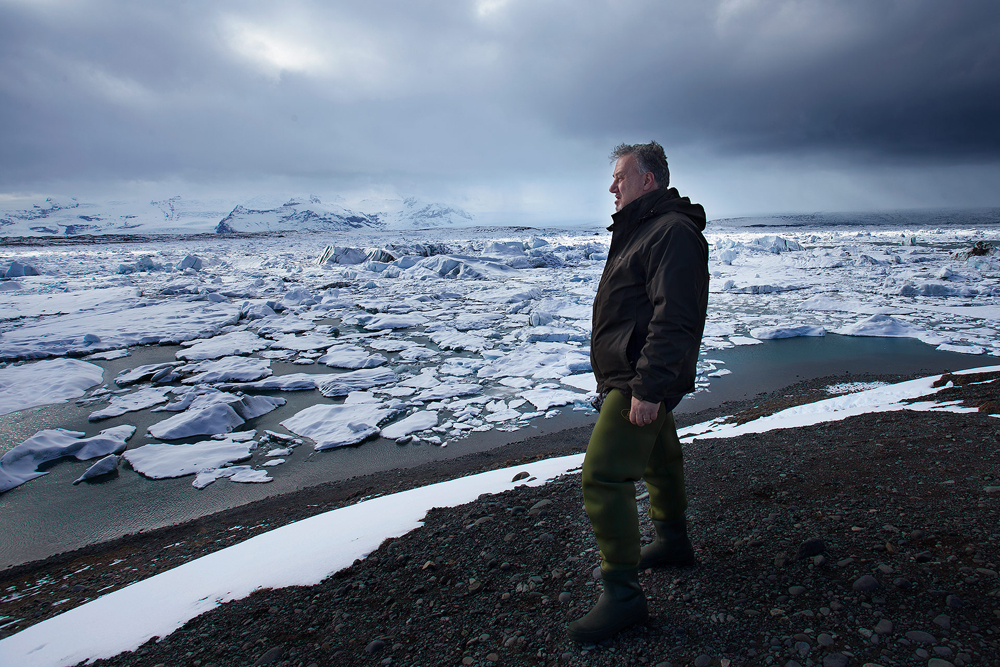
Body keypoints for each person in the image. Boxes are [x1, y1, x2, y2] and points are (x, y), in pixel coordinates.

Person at [568, 141, 709, 644]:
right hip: (632, 374)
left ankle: (623, 596)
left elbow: (676, 316)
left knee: (603, 475)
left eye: (621, 177)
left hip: (638, 378)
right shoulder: (643, 229)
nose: (612, 186)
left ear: (647, 180)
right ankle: (672, 541)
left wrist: (648, 387)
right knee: (661, 457)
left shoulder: (670, 232)